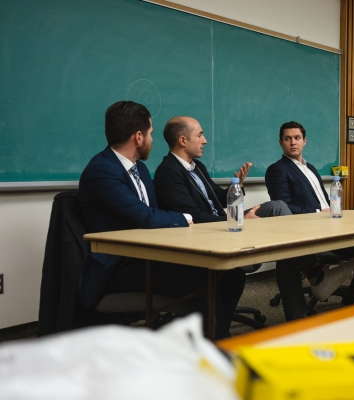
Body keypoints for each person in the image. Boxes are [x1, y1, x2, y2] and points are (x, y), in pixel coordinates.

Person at [78, 101, 244, 339]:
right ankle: (215, 345)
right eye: (150, 134)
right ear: (138, 137)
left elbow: (154, 216)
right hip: (120, 267)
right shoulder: (102, 171)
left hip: (149, 257)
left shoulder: (141, 170)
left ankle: (217, 339)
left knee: (232, 273)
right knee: (205, 277)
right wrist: (188, 218)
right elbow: (145, 217)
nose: (152, 140)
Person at [265, 121, 354, 320]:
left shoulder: (311, 168)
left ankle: (352, 296)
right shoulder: (277, 169)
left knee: (286, 258)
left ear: (304, 141)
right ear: (280, 142)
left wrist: (330, 212)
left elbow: (326, 201)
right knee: (287, 254)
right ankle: (319, 280)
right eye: (288, 139)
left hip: (330, 221)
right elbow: (284, 207)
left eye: (297, 138)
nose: (293, 143)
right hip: (307, 228)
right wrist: (318, 212)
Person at [154, 116, 291, 222]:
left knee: (276, 207)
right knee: (276, 209)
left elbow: (220, 199)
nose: (204, 140)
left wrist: (237, 186)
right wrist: (238, 220)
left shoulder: (197, 166)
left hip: (222, 221)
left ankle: (301, 257)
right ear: (183, 141)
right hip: (207, 230)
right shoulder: (168, 172)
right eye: (199, 135)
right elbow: (193, 217)